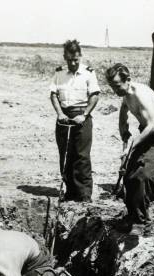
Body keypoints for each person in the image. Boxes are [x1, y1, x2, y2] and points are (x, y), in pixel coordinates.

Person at [105, 63, 154, 235]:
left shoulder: (140, 94)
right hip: (149, 135)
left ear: (128, 80)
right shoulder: (126, 94)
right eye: (112, 87)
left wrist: (131, 146)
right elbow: (124, 111)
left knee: (142, 175)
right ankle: (133, 217)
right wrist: (123, 130)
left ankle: (143, 223)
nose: (115, 91)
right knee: (129, 173)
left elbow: (152, 126)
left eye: (117, 86)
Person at [50, 39, 100, 202]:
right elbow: (53, 95)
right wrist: (59, 113)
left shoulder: (88, 73)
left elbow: (94, 95)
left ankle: (84, 194)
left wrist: (84, 114)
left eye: (76, 60)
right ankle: (70, 191)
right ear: (65, 57)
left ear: (80, 57)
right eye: (69, 59)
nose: (72, 63)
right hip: (64, 118)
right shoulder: (59, 73)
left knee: (81, 156)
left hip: (82, 117)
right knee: (65, 155)